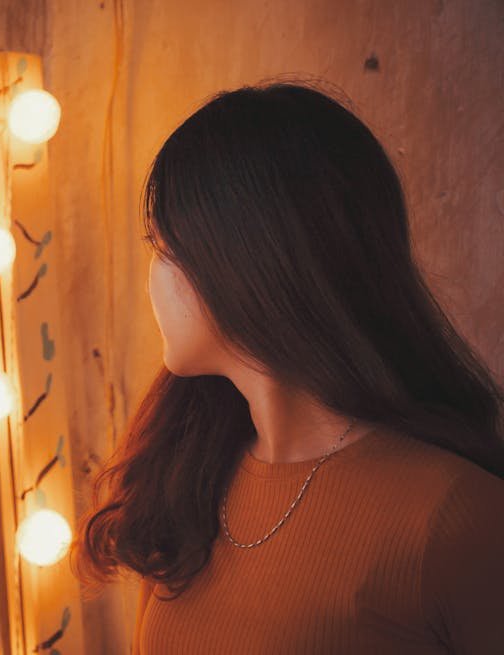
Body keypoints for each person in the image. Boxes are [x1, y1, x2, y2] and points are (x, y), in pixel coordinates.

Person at [71, 79, 504, 654]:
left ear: (247, 261)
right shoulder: (185, 477)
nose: (154, 277)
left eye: (163, 247)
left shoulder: (455, 518)